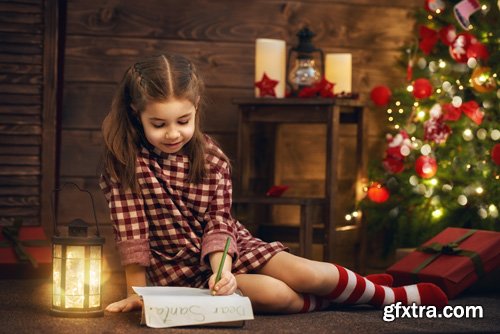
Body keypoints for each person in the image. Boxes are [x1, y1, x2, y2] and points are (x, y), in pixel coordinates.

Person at [100, 53, 448, 314]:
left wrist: (221, 270)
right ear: (136, 112)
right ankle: (354, 294)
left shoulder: (211, 157)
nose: (173, 133)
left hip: (226, 251)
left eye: (183, 121)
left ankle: (392, 298)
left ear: (196, 108)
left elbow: (218, 221)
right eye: (158, 124)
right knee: (276, 295)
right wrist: (140, 295)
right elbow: (133, 236)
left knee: (308, 273)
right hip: (176, 271)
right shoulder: (124, 163)